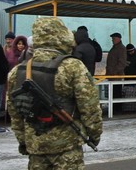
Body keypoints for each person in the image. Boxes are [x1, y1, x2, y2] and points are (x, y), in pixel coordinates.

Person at [7, 17, 103, 169]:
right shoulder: (72, 67)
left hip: (36, 145)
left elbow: (15, 112)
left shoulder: (18, 71)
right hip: (67, 146)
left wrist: (23, 140)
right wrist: (94, 134)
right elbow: (90, 106)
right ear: (62, 36)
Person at [106, 32, 126, 113]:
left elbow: (122, 63)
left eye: (114, 38)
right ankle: (114, 108)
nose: (112, 40)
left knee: (117, 92)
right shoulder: (115, 48)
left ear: (118, 39)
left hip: (116, 75)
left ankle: (117, 109)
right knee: (113, 93)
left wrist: (114, 72)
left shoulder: (121, 48)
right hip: (112, 75)